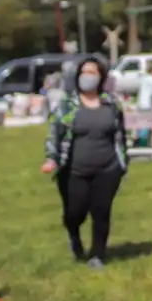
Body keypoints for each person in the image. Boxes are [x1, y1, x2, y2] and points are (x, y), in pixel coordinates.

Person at [42, 56, 128, 269]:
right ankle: (74, 234)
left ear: (101, 77)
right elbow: (55, 133)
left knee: (101, 211)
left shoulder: (111, 104)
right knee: (75, 212)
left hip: (107, 168)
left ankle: (97, 255)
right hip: (74, 171)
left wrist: (122, 162)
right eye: (84, 72)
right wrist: (51, 159)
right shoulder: (67, 105)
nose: (87, 77)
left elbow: (120, 135)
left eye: (92, 72)